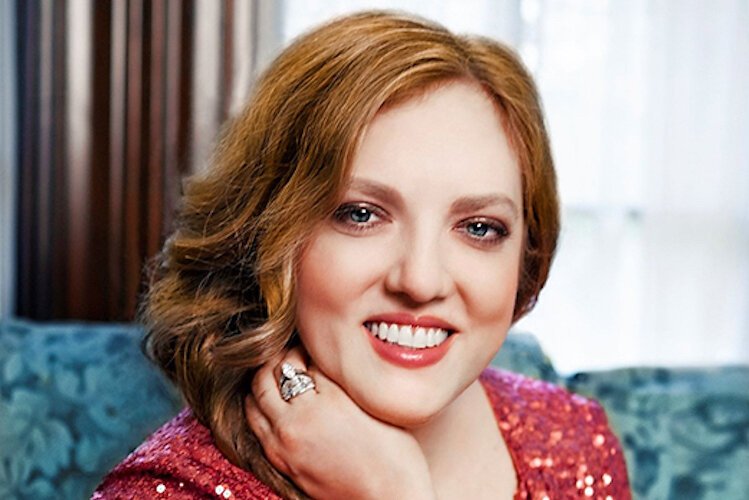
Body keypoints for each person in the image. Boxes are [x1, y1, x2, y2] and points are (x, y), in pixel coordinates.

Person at [94, 10, 631, 500]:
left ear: (526, 258)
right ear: (268, 233)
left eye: (479, 228)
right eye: (361, 215)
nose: (421, 281)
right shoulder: (166, 492)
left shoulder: (575, 442)